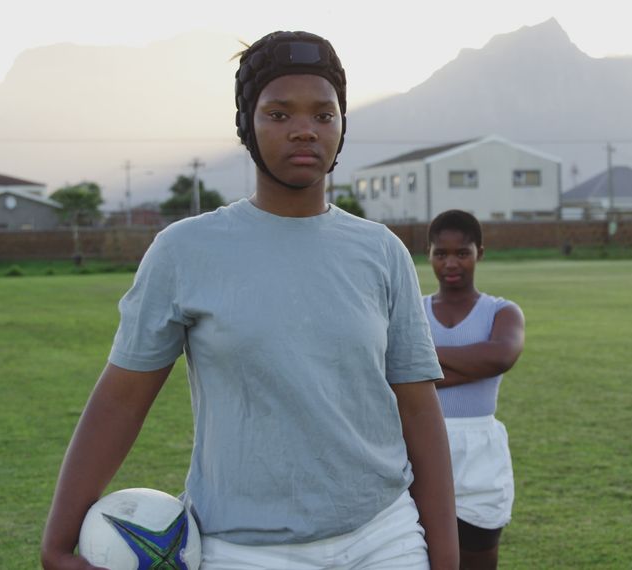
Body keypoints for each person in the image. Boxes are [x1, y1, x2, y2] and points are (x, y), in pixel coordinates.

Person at [40, 31, 458, 570]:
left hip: (382, 535)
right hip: (241, 549)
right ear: (246, 124)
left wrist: (445, 558)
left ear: (342, 126)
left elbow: (420, 409)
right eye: (279, 114)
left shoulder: (382, 251)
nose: (305, 130)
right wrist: (57, 540)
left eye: (324, 115)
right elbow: (121, 400)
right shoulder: (185, 250)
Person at [423, 210, 525, 570]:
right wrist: (474, 364)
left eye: (462, 252)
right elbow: (390, 373)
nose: (451, 263)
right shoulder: (413, 312)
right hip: (420, 445)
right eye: (441, 253)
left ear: (480, 252)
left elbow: (500, 356)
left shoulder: (503, 311)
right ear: (429, 254)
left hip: (481, 453)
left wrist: (423, 362)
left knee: (479, 556)